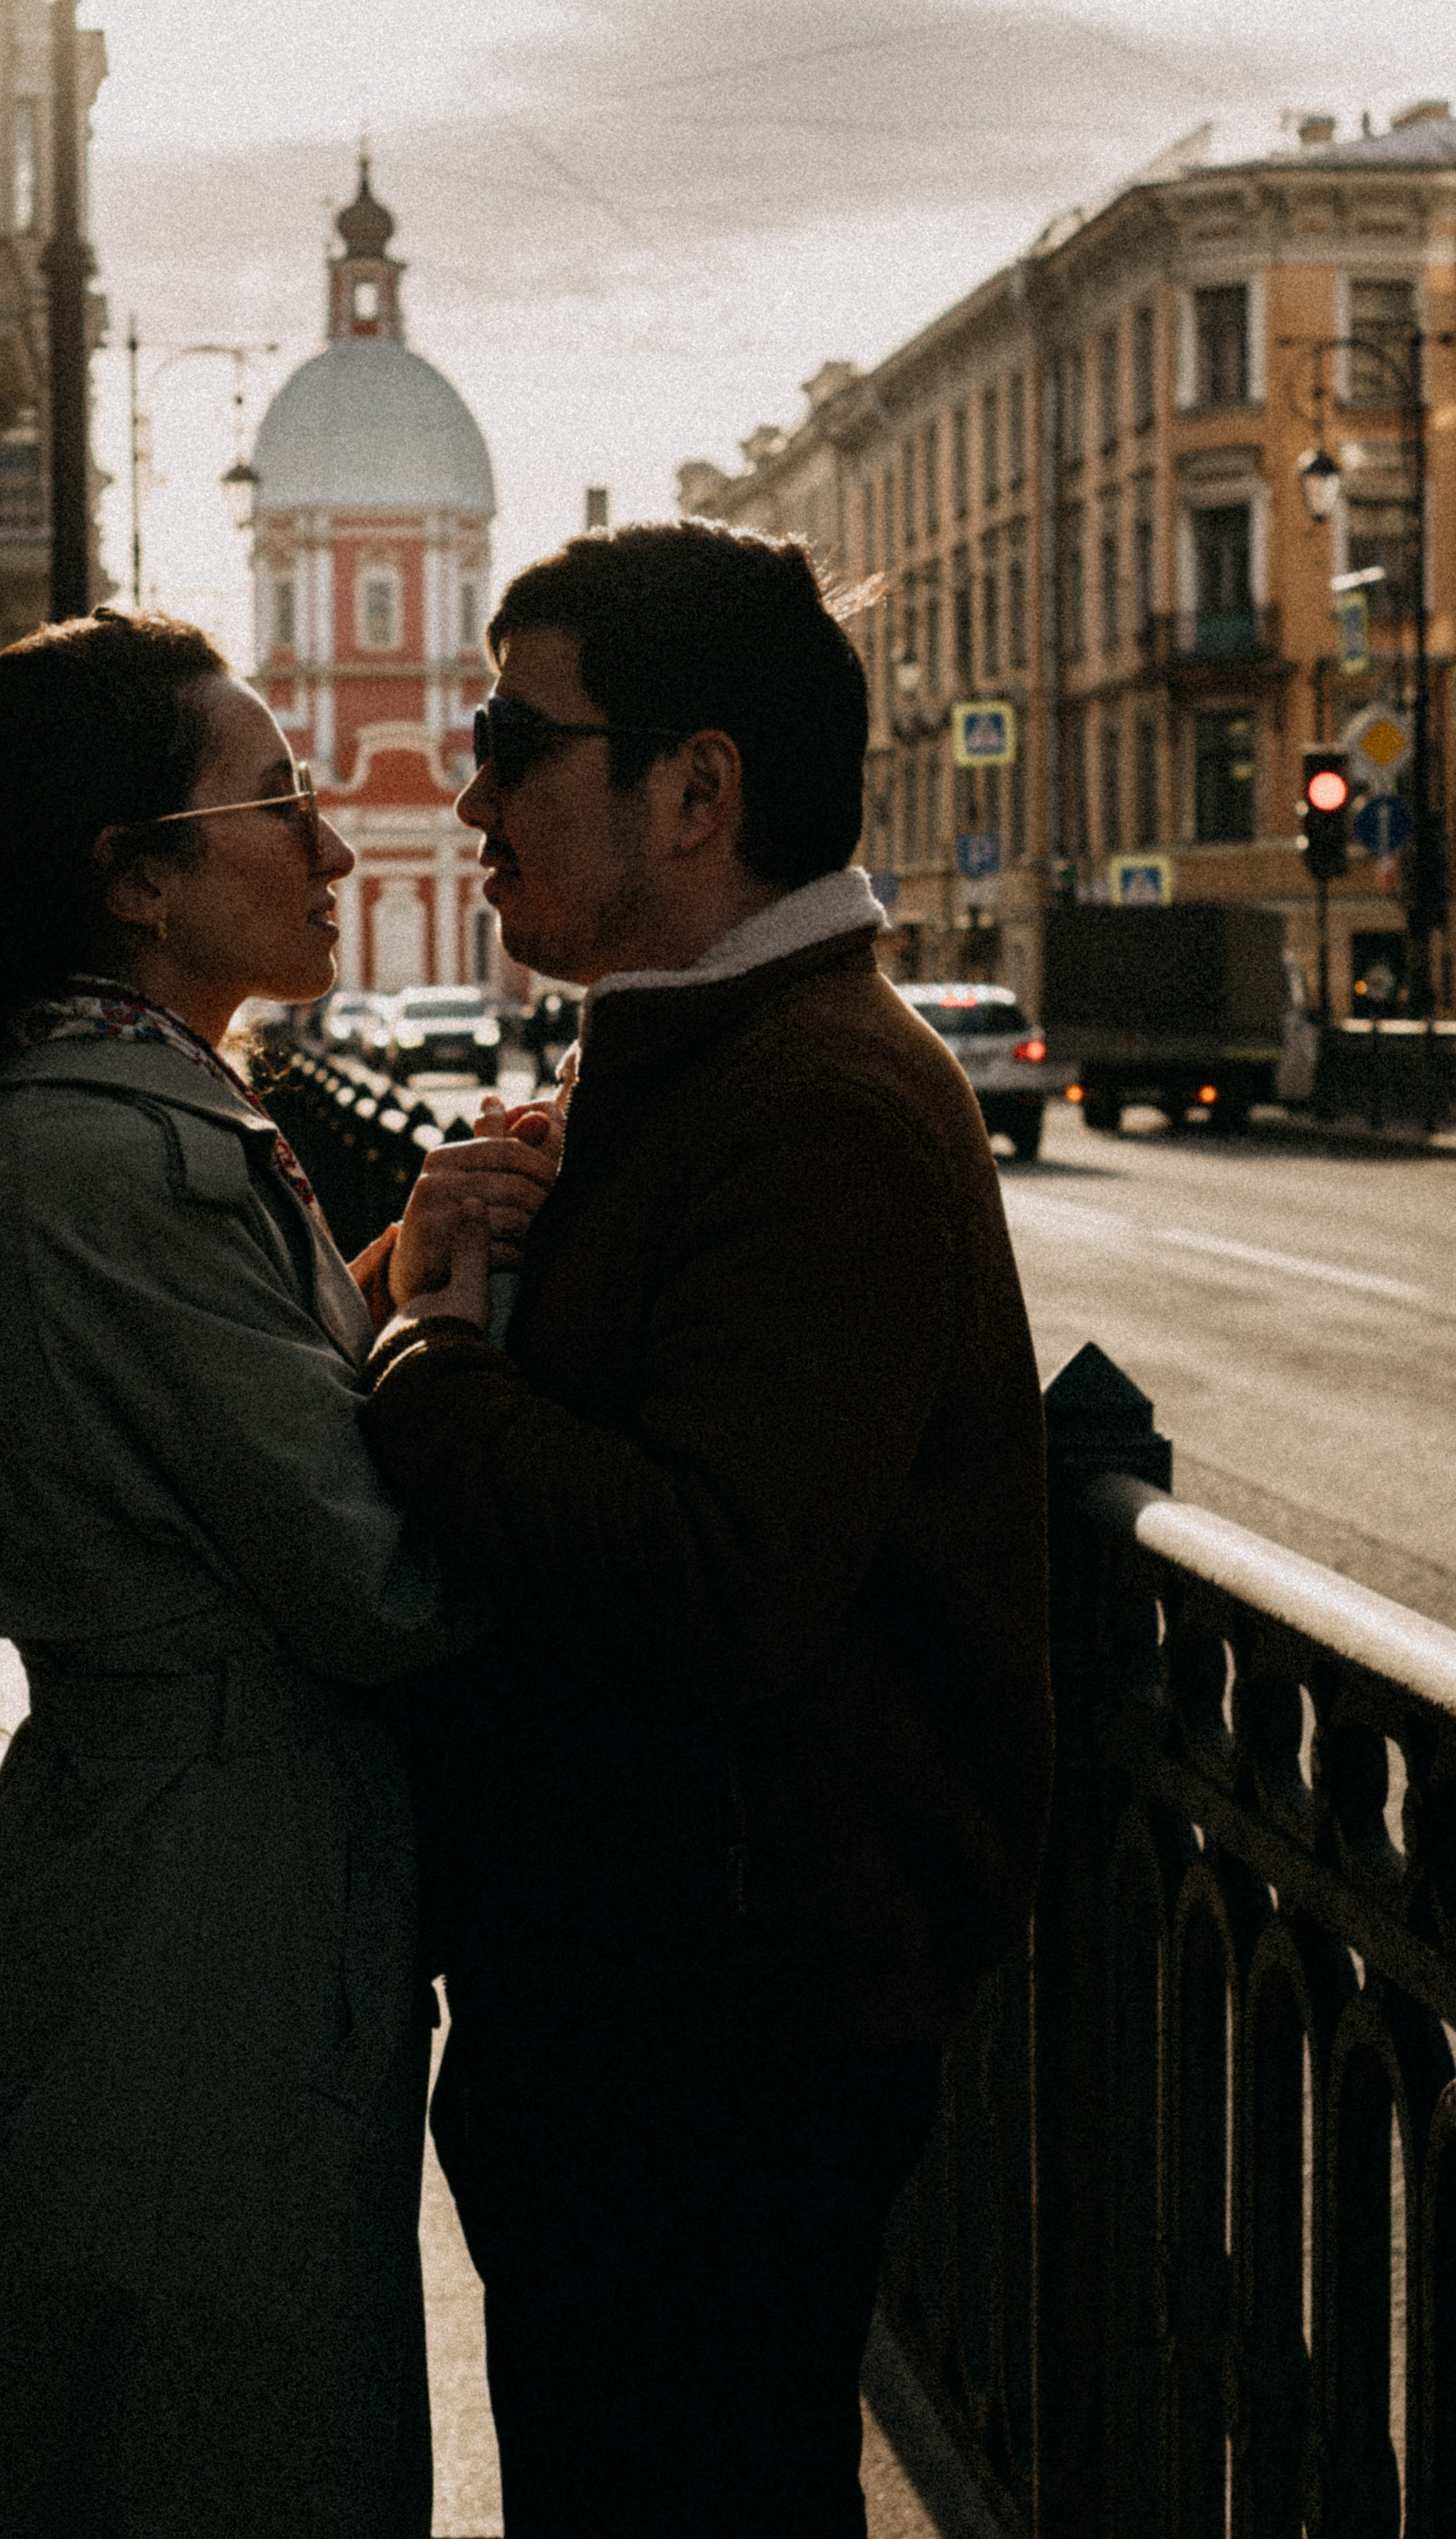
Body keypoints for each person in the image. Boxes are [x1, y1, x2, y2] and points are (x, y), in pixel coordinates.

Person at [0, 610, 552, 2539]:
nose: (333, 844)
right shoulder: (123, 1156)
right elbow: (370, 1587)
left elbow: (206, 1433)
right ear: (133, 880)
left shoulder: (135, 1112)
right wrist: (455, 1331)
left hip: (173, 1861)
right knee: (204, 2442)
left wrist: (382, 1265)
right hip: (204, 1910)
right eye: (275, 802)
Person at [365, 521, 1054, 2539]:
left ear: (695, 789)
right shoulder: (694, 1063)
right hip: (644, 2003)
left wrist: (423, 1370)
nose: (468, 797)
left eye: (513, 738)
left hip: (723, 2038)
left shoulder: (820, 1097)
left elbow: (706, 1575)